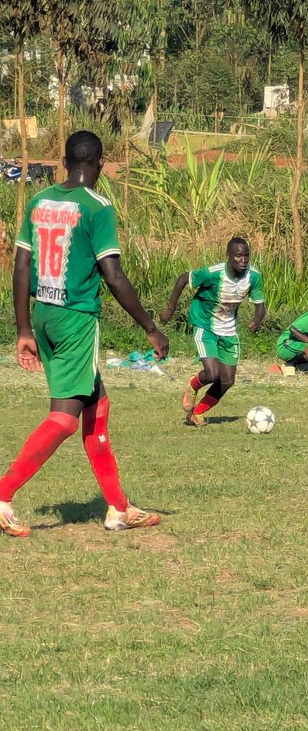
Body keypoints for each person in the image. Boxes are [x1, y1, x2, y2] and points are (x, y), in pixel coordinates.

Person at [0, 130, 169, 538]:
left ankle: (118, 507)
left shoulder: (40, 201)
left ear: (63, 161)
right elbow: (113, 275)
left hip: (43, 314)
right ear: (101, 163)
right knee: (64, 418)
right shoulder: (98, 207)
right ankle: (3, 494)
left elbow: (21, 267)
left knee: (98, 406)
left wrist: (23, 328)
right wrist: (150, 326)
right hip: (76, 319)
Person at [159, 237, 265, 428]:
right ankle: (193, 386)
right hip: (205, 324)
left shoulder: (254, 276)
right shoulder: (213, 273)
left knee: (227, 381)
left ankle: (196, 413)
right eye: (238, 255)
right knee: (212, 373)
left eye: (246, 255)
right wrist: (170, 309)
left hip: (229, 330)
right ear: (229, 256)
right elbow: (184, 278)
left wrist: (257, 320)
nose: (243, 260)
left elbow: (260, 305)